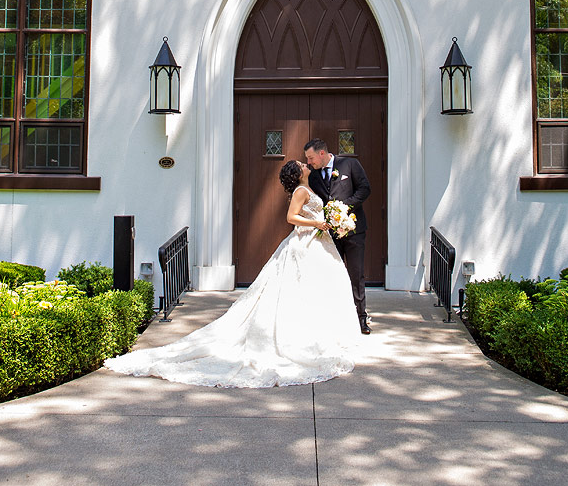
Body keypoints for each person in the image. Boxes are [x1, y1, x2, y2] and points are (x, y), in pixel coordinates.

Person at [104, 159, 360, 388]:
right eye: (301, 164)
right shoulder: (301, 190)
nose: (306, 164)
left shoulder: (308, 188)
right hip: (303, 244)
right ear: (298, 173)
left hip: (315, 243)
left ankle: (316, 333)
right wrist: (317, 222)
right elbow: (291, 217)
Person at [304, 137, 371, 334]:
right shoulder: (314, 175)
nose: (309, 162)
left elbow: (365, 189)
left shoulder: (349, 164)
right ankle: (334, 319)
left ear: (322, 153)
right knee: (330, 275)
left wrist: (345, 207)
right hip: (329, 234)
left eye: (311, 158)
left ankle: (361, 319)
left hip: (353, 231)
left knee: (356, 275)